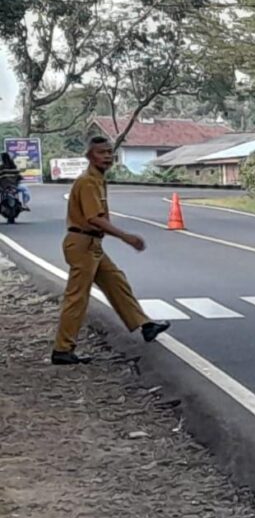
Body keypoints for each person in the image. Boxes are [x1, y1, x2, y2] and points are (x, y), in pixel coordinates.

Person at [53, 137, 170, 365]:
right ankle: (62, 350)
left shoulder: (97, 180)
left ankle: (145, 325)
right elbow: (93, 218)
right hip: (82, 244)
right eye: (101, 153)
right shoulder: (87, 182)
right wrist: (125, 237)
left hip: (91, 244)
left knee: (116, 281)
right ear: (89, 156)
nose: (107, 157)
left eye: (109, 153)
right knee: (77, 297)